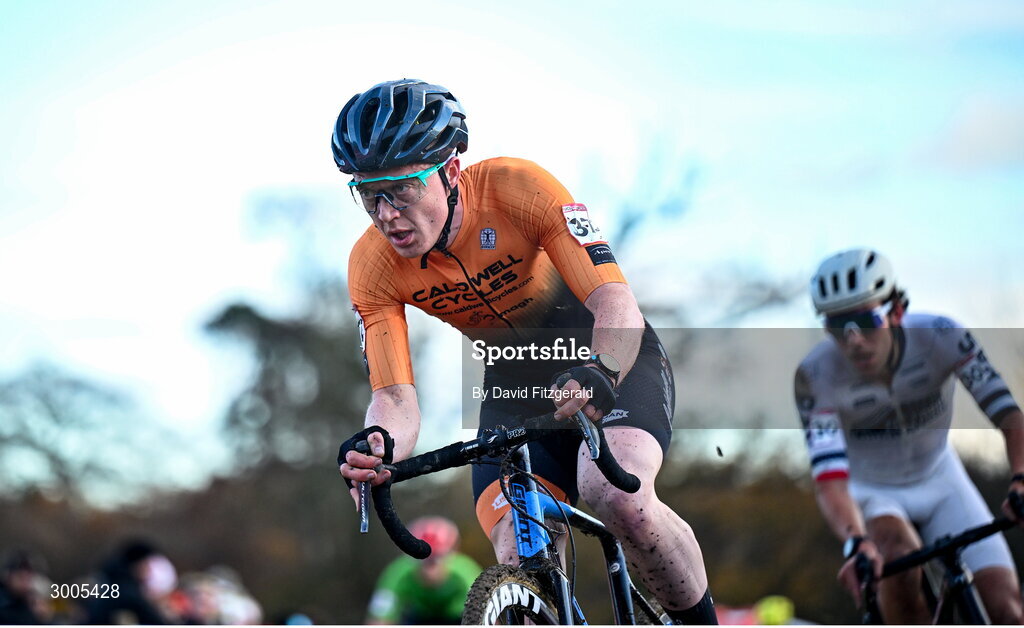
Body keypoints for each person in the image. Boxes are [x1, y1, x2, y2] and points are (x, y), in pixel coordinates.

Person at [334, 79, 717, 624]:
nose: (386, 213)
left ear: (450, 170)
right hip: (514, 386)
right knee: (520, 547)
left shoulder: (519, 189)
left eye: (402, 188)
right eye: (368, 192)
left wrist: (601, 368)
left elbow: (615, 302)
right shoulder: (371, 266)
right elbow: (394, 396)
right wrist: (379, 445)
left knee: (615, 494)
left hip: (605, 356)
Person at [794, 248, 1024, 623]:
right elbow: (830, 481)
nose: (853, 340)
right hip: (874, 493)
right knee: (897, 558)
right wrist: (857, 540)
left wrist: (1020, 477)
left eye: (866, 319)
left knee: (1008, 610)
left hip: (942, 480)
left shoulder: (942, 336)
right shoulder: (816, 376)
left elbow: (1009, 415)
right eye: (838, 327)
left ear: (896, 311)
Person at [365, 517, 481, 624]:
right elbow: (379, 619)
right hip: (418, 619)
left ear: (451, 554)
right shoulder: (397, 574)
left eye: (436, 559)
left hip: (456, 619)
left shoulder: (466, 572)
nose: (430, 570)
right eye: (424, 560)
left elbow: (487, 617)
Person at [85, 539, 177, 625]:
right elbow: (155, 621)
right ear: (138, 565)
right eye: (147, 565)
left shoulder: (111, 584)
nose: (149, 571)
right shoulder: (128, 593)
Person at [0, 549, 52, 625]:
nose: (25, 584)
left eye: (28, 578)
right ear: (8, 575)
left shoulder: (28, 601)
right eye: (21, 577)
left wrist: (41, 617)